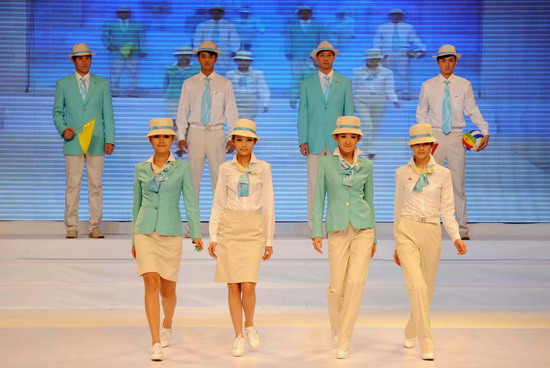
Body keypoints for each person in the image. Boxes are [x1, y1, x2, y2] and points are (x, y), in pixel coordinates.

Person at [393, 123, 467, 361]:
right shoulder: (401, 172)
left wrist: (455, 236)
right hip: (407, 230)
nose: (421, 148)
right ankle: (426, 341)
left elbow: (447, 209)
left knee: (428, 289)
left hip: (432, 231)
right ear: (412, 146)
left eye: (425, 143)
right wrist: (396, 241)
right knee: (417, 286)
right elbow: (398, 207)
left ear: (433, 146)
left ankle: (410, 329)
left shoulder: (443, 174)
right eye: (417, 144)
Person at [131, 118, 203, 362]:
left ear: (172, 140)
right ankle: (155, 341)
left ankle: (168, 323)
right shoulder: (140, 168)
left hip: (170, 232)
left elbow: (190, 201)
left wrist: (195, 233)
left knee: (168, 289)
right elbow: (136, 204)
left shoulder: (181, 168)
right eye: (157, 136)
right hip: (145, 232)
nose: (161, 141)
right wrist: (133, 238)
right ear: (150, 140)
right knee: (150, 281)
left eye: (166, 136)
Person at [208, 118, 275, 357]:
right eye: (239, 140)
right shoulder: (226, 169)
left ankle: (250, 324)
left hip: (253, 228)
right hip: (230, 228)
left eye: (248, 140)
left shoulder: (264, 168)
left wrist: (269, 239)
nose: (244, 144)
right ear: (233, 141)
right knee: (232, 285)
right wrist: (213, 235)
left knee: (248, 284)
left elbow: (268, 204)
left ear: (254, 142)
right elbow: (218, 203)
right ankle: (237, 335)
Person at [311, 116, 376, 360]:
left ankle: (345, 339)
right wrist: (317, 230)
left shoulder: (366, 165)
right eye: (343, 136)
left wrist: (375, 237)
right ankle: (336, 325)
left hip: (363, 229)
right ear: (336, 138)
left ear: (358, 138)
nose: (348, 140)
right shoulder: (327, 164)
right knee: (337, 286)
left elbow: (369, 200)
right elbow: (319, 197)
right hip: (337, 229)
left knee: (356, 284)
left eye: (353, 136)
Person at [416, 44, 490, 239]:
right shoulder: (428, 85)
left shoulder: (464, 84)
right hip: (434, 137)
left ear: (455, 62)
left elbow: (472, 109)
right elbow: (421, 113)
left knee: (457, 183)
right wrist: (423, 139)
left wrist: (485, 130)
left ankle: (461, 228)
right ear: (438, 62)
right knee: (430, 182)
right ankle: (429, 226)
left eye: (451, 60)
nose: (447, 64)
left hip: (457, 137)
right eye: (443, 60)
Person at [52, 43, 115, 239]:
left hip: (96, 139)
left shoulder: (102, 83)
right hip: (73, 141)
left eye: (87, 57)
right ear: (73, 60)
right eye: (80, 58)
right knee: (73, 184)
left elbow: (108, 114)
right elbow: (56, 112)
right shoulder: (63, 84)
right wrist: (63, 129)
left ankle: (95, 226)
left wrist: (110, 139)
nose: (84, 61)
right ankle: (72, 225)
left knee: (95, 185)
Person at [298, 41, 353, 228]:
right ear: (316, 58)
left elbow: (348, 115)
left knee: (338, 187)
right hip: (314, 143)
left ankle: (335, 226)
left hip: (337, 144)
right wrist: (303, 140)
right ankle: (314, 227)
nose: (326, 58)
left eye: (329, 55)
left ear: (334, 57)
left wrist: (348, 143)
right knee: (314, 187)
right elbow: (303, 114)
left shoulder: (345, 82)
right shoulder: (307, 83)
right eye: (322, 55)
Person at [175, 41, 238, 201]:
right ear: (198, 58)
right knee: (192, 179)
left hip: (216, 133)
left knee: (219, 178)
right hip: (195, 132)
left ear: (216, 59)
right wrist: (181, 136)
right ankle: (192, 223)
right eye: (203, 56)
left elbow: (231, 111)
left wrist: (233, 136)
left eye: (210, 56)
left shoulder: (225, 83)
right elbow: (182, 111)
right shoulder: (189, 83)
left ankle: (219, 222)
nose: (207, 60)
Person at [352, 48, 400, 158]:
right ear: (366, 59)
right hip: (361, 100)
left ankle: (366, 146)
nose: (373, 61)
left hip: (379, 101)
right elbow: (353, 87)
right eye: (371, 59)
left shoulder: (387, 73)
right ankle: (369, 149)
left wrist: (394, 100)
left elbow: (389, 88)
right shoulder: (357, 72)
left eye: (376, 59)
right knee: (367, 125)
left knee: (374, 126)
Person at [373, 8, 426, 100]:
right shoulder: (382, 28)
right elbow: (377, 41)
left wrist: (422, 48)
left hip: (402, 53)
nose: (396, 16)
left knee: (404, 74)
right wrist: (377, 53)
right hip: (387, 54)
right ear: (390, 16)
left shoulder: (408, 27)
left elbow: (414, 39)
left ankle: (405, 93)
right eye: (393, 15)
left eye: (398, 15)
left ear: (401, 16)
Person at [102, 6, 147, 97]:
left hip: (133, 54)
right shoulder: (110, 25)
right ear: (117, 13)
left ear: (130, 13)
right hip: (116, 54)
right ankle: (114, 92)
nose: (124, 14)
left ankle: (132, 92)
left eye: (126, 12)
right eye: (121, 12)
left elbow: (141, 38)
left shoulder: (137, 25)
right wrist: (110, 46)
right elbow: (105, 37)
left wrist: (142, 50)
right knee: (115, 73)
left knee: (133, 73)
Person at [285, 6, 326, 100]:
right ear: (298, 14)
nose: (304, 14)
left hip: (313, 56)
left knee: (312, 74)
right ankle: (297, 94)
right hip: (297, 54)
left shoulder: (318, 26)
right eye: (302, 12)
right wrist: (288, 51)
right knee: (296, 74)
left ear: (311, 13)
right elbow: (288, 39)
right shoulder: (292, 26)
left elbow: (322, 40)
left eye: (307, 12)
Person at [193, 6, 240, 74]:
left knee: (225, 68)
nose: (216, 13)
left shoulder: (229, 25)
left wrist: (235, 50)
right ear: (210, 13)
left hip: (224, 49)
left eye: (218, 12)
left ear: (222, 13)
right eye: (214, 12)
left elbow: (234, 38)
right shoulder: (203, 25)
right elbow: (197, 37)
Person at [225, 50, 270, 120]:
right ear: (236, 61)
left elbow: (263, 89)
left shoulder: (257, 74)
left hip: (250, 104)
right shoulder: (230, 74)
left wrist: (265, 103)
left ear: (250, 61)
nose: (243, 62)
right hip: (235, 103)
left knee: (247, 125)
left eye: (246, 60)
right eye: (240, 60)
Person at [163, 46, 200, 121]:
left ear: (190, 56)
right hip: (173, 98)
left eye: (186, 55)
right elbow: (166, 83)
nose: (183, 57)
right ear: (177, 56)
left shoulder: (198, 69)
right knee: (174, 119)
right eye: (181, 55)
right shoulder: (169, 68)